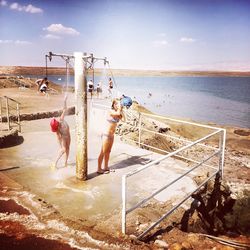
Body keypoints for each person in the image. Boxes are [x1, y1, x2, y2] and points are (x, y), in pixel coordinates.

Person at [97, 98, 123, 174]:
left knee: (108, 152)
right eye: (116, 104)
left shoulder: (117, 112)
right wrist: (120, 109)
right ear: (113, 104)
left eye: (118, 104)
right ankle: (99, 168)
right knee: (103, 152)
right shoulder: (110, 111)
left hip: (111, 135)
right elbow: (118, 114)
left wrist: (121, 110)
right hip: (106, 134)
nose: (118, 105)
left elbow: (123, 118)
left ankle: (106, 167)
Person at [50, 95, 71, 168]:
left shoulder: (61, 120)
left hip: (68, 135)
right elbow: (59, 139)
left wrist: (65, 101)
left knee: (68, 148)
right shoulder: (58, 132)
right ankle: (54, 163)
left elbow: (65, 110)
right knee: (64, 149)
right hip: (63, 137)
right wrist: (62, 140)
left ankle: (65, 163)